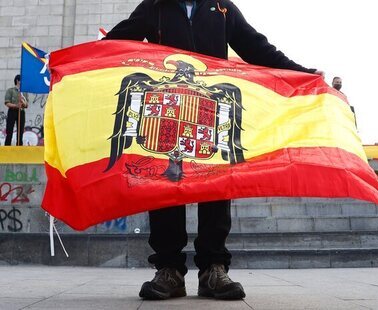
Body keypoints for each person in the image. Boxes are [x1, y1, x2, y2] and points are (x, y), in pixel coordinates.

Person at [105, 0, 322, 300]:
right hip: (167, 118)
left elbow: (257, 48)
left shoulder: (222, 8)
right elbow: (114, 45)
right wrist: (77, 64)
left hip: (210, 116)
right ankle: (169, 271)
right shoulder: (154, 7)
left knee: (217, 189)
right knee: (165, 189)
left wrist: (302, 73)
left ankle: (213, 270)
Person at [4, 74, 28, 146]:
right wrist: (16, 105)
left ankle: (19, 147)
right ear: (18, 81)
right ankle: (7, 147)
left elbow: (27, 105)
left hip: (21, 112)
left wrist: (23, 104)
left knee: (20, 131)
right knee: (9, 130)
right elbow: (7, 103)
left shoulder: (24, 92)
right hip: (12, 112)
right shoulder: (10, 90)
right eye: (22, 80)